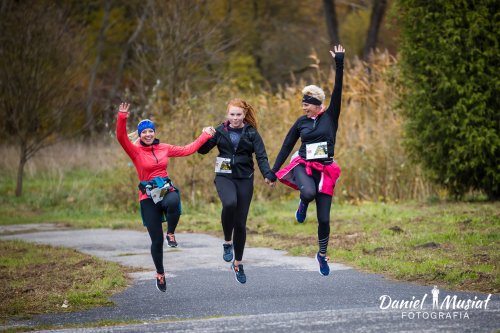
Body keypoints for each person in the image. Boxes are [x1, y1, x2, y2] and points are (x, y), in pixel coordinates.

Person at [116, 102, 215, 292]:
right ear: (140, 134)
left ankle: (171, 232)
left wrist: (205, 135)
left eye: (150, 131)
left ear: (154, 132)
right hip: (147, 196)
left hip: (165, 189)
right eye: (144, 132)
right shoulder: (135, 151)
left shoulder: (164, 148)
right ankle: (160, 273)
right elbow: (121, 137)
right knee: (156, 241)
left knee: (174, 201)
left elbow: (188, 149)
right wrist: (122, 117)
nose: (148, 135)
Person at [271, 45, 345, 276]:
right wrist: (272, 171)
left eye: (307, 104)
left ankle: (321, 255)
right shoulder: (301, 122)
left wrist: (339, 63)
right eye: (303, 104)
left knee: (324, 219)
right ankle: (303, 203)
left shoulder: (330, 117)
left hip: (326, 170)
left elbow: (339, 90)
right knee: (309, 193)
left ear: (317, 104)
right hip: (304, 166)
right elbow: (287, 145)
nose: (303, 107)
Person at [198, 98, 276, 284]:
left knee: (240, 223)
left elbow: (262, 156)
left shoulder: (251, 133)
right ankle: (227, 242)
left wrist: (267, 174)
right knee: (230, 203)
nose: (235, 118)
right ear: (227, 114)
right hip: (224, 176)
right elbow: (202, 150)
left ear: (244, 115)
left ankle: (238, 263)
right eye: (232, 114)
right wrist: (204, 135)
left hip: (244, 178)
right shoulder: (220, 130)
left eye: (238, 115)